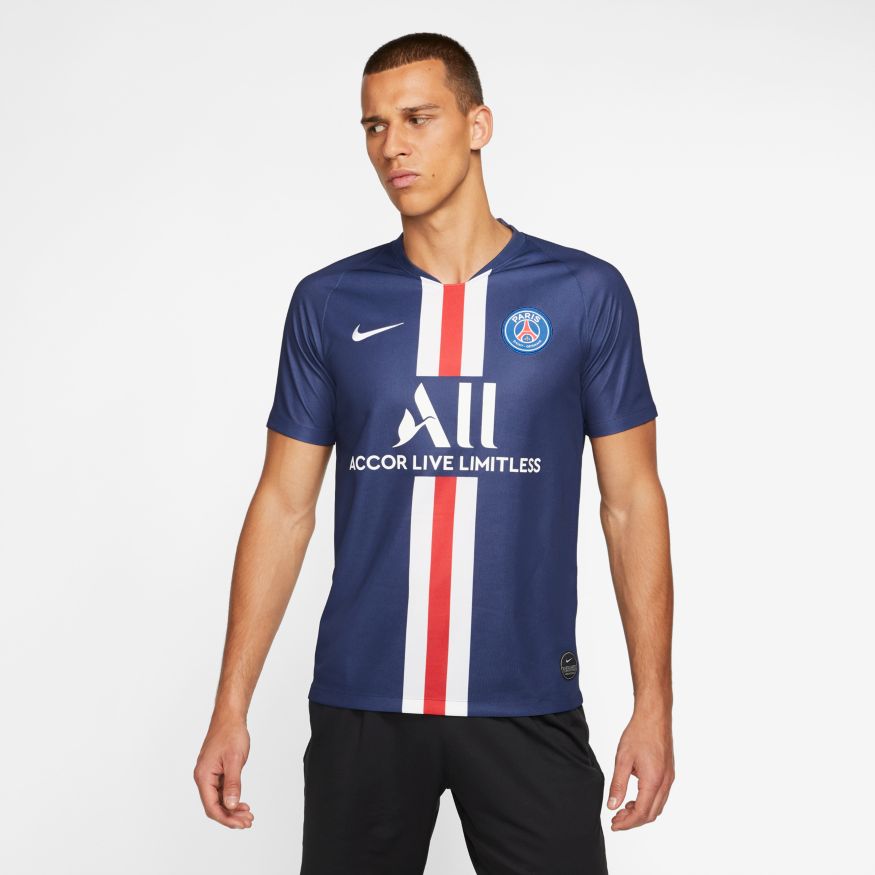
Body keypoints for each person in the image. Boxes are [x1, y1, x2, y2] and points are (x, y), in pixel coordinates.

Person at [193, 31, 674, 874]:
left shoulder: (581, 293)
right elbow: (284, 505)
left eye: (417, 118)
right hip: (363, 703)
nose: (393, 145)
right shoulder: (328, 301)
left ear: (478, 124)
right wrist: (229, 705)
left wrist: (653, 703)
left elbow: (630, 501)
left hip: (526, 697)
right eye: (374, 126)